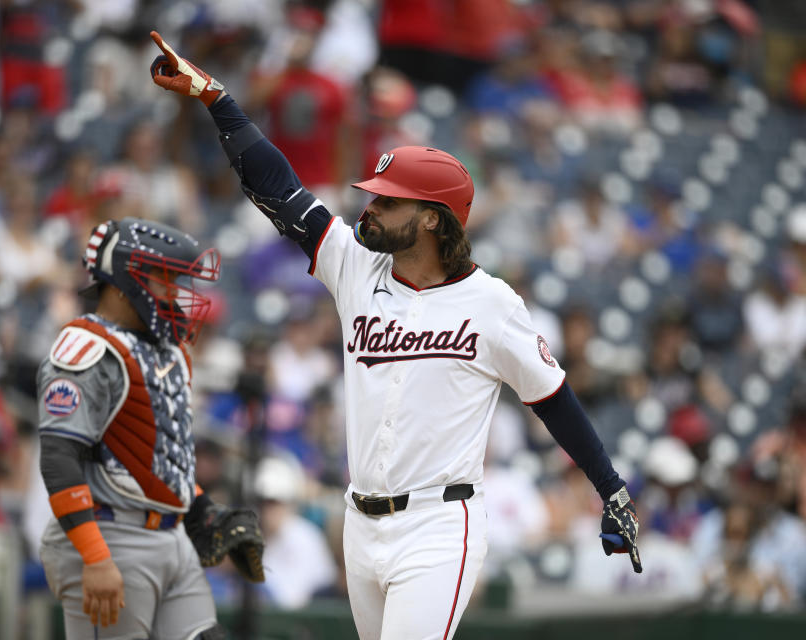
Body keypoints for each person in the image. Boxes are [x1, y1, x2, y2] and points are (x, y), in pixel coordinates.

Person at [149, 34, 642, 640]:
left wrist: (610, 488)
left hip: (440, 524)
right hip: (360, 525)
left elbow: (553, 399)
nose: (369, 209)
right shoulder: (355, 265)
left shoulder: (492, 304)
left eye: (387, 201)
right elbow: (278, 189)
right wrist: (218, 100)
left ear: (432, 218)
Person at [36, 218, 263, 638]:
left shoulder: (168, 351)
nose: (176, 294)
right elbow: (58, 458)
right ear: (123, 283)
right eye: (163, 280)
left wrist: (200, 509)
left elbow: (151, 456)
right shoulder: (86, 349)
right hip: (110, 536)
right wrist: (95, 557)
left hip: (170, 537)